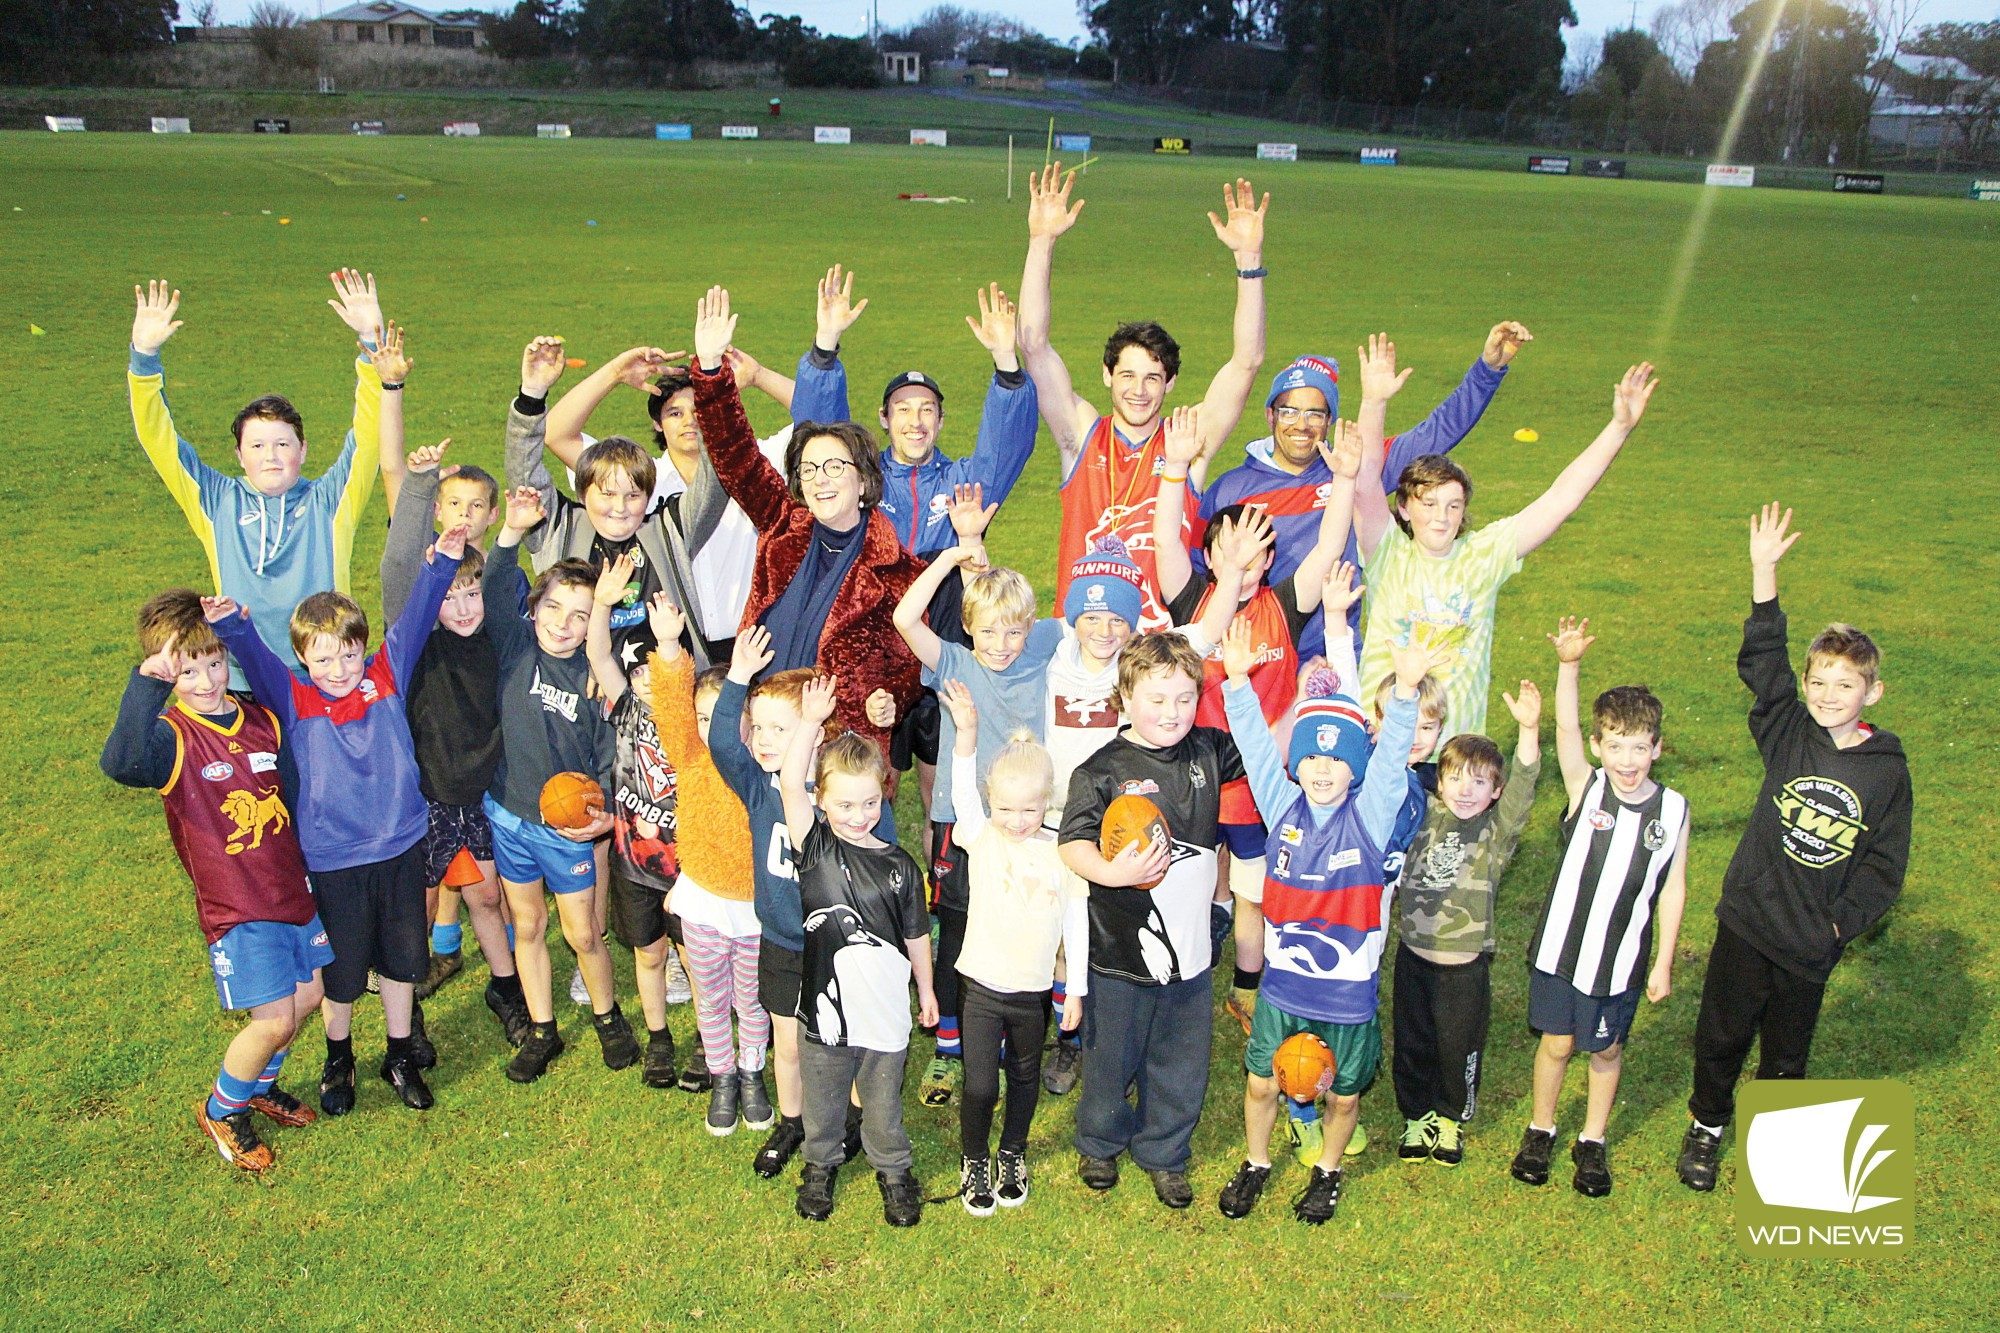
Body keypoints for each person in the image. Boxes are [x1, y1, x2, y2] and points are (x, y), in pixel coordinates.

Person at [1676, 504, 1912, 1193]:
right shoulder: (1789, 730)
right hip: (1749, 921)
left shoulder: (1887, 771)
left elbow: (1884, 865)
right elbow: (1763, 662)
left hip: (1810, 941)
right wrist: (1763, 573)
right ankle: (1708, 1126)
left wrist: (1841, 923)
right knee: (1721, 1034)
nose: (1828, 694)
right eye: (1819, 682)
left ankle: (1778, 1151)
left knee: (1785, 1051)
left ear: (1872, 691)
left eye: (1845, 685)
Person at [207, 522, 468, 1116]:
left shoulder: (385, 674)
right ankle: (339, 1055)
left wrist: (442, 563)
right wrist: (230, 625)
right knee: (343, 972)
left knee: (404, 960)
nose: (339, 667)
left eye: (349, 653)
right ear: (303, 657)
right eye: (323, 658)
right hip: (332, 860)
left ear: (363, 648)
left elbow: (416, 620)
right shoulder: (292, 697)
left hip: (400, 846)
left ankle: (399, 1053)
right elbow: (255, 656)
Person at [1213, 623, 1439, 1225]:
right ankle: (1257, 1161)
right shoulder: (1281, 804)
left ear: (1354, 769)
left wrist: (1409, 692)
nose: (1320, 768)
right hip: (1284, 990)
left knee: (1343, 1096)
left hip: (1346, 999)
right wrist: (1238, 682)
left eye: (1336, 759)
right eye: (1311, 754)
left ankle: (1328, 1171)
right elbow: (1259, 750)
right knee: (1263, 1084)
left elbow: (1392, 760)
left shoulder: (1369, 816)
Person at [101, 590, 333, 1172]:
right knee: (274, 1018)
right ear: (166, 672)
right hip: (238, 906)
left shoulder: (260, 719)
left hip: (290, 890)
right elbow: (119, 762)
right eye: (185, 669)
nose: (205, 680)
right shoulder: (168, 738)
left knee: (308, 996)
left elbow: (292, 793)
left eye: (213, 663)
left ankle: (256, 1085)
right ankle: (223, 1108)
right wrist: (147, 685)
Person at [1155, 409, 1360, 1033]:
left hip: (1258, 789)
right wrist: (1176, 470)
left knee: (1253, 893)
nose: (1242, 562)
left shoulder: (1286, 606)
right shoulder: (1193, 601)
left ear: (1270, 562)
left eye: (1255, 552)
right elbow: (1166, 541)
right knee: (1182, 884)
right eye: (1227, 550)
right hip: (1190, 782)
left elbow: (1328, 546)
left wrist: (1345, 478)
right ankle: (1174, 977)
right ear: (1210, 558)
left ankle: (1247, 988)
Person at [689, 286, 924, 815]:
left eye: (834, 467)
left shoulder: (896, 571)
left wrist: (891, 697)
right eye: (810, 468)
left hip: (836, 762)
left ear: (864, 482)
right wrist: (710, 371)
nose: (819, 480)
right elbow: (735, 455)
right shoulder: (783, 524)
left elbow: (906, 667)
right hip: (764, 740)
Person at [1353, 339, 1659, 743]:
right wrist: (1374, 402)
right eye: (1428, 504)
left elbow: (1561, 499)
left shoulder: (1485, 554)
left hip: (1456, 760)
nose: (1441, 517)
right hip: (1379, 742)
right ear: (1405, 508)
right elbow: (1363, 480)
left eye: (1453, 505)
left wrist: (1618, 428)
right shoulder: (1387, 552)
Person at [1018, 164, 1269, 630]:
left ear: (1170, 384)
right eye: (1128, 375)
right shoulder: (1081, 435)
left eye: (1153, 378)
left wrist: (1248, 260)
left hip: (1158, 653)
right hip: (1079, 642)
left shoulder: (1187, 442)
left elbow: (1247, 361)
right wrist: (1041, 242)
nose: (1139, 390)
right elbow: (1033, 345)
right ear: (1107, 376)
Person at [1199, 320, 1531, 660]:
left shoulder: (1356, 467)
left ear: (1330, 421)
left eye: (1315, 413)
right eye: (1289, 411)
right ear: (1270, 416)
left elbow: (1439, 431)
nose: (1302, 424)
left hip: (1334, 654)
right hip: (1251, 658)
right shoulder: (1230, 490)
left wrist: (1488, 369)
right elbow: (1199, 575)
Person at [890, 486, 1065, 1109]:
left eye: (1012, 630)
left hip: (1032, 819)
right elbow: (904, 620)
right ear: (968, 627)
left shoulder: (1045, 648)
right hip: (963, 823)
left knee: (1032, 915)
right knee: (959, 926)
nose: (1001, 642)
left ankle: (1041, 1028)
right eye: (988, 630)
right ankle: (948, 1044)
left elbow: (1097, 628)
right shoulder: (956, 663)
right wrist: (954, 553)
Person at [1057, 633, 1245, 1210]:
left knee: (1180, 1059)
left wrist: (1238, 685)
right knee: (1111, 1053)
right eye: (1157, 699)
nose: (1172, 713)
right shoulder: (1102, 769)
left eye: (1185, 699)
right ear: (1125, 696)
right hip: (1118, 951)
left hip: (1188, 952)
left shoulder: (1210, 751)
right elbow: (1072, 844)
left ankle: (1165, 1151)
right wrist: (1112, 874)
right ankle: (1100, 1141)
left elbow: (1268, 754)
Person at [126, 271, 391, 671]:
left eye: (283, 444)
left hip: (320, 677)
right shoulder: (216, 501)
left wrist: (371, 346)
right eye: (257, 446)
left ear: (302, 451)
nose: (271, 456)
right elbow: (159, 441)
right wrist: (144, 360)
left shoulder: (331, 501)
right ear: (239, 455)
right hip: (240, 682)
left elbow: (370, 437)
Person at [1509, 616, 1689, 1198]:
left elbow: (1673, 888)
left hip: (1619, 965)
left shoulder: (1674, 812)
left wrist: (1661, 963)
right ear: (1598, 747)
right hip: (1562, 952)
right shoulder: (1587, 788)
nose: (1628, 760)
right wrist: (1568, 666)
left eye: (1640, 748)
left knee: (1606, 1048)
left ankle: (1593, 1140)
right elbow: (1563, 727)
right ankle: (1541, 1128)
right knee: (1557, 1043)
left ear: (1658, 749)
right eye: (1616, 746)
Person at [540, 316, 838, 663]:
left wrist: (758, 377)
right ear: (657, 422)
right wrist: (614, 374)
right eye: (675, 412)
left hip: (756, 641)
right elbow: (557, 434)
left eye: (700, 409)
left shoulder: (754, 460)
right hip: (677, 648)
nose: (690, 421)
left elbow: (822, 422)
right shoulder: (637, 480)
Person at [482, 489, 637, 1084]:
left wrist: (605, 813)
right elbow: (497, 585)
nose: (563, 625)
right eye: (552, 608)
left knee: (583, 932)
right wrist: (510, 533)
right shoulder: (517, 645)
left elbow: (609, 756)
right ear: (534, 607)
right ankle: (543, 1029)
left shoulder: (596, 674)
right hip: (511, 815)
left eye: (579, 615)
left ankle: (607, 1016)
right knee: (527, 925)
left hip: (568, 829)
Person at [779, 678, 937, 1227]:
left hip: (886, 1016)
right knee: (822, 1101)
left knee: (883, 1105)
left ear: (885, 792)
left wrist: (928, 991)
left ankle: (893, 1170)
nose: (858, 814)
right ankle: (820, 1164)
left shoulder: (900, 867)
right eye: (844, 803)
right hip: (825, 1013)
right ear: (821, 801)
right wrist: (808, 723)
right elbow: (787, 785)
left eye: (870, 801)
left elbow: (917, 935)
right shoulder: (816, 847)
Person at [378, 441, 522, 1038]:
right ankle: (404, 1018)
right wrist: (416, 486)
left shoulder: (499, 634)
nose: (462, 607)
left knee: (487, 899)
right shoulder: (416, 639)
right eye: (449, 596)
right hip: (425, 793)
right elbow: (396, 567)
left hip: (482, 788)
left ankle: (507, 987)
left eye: (473, 595)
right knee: (416, 904)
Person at [936, 682, 1087, 1215]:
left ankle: (1011, 1153)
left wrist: (1077, 991)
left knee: (1024, 1079)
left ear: (1046, 803)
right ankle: (974, 1157)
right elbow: (959, 795)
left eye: (1028, 810)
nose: (1017, 820)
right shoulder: (981, 838)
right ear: (990, 802)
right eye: (1005, 808)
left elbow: (1076, 921)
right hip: (979, 987)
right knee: (980, 1086)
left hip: (1032, 994)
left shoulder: (1063, 854)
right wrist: (967, 734)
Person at [506, 336, 729, 671]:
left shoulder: (671, 528)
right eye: (607, 494)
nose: (620, 508)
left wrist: (712, 381)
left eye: (633, 496)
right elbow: (524, 469)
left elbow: (716, 476)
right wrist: (532, 394)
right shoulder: (559, 527)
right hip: (581, 701)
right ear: (583, 494)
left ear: (649, 496)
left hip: (670, 695)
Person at [1390, 684, 1542, 1167]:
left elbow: (1523, 785)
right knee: (1412, 1039)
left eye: (1480, 783)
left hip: (1464, 967)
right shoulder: (1422, 811)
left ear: (1494, 792)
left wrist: (1530, 729)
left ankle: (1450, 1118)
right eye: (1456, 778)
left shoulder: (1495, 832)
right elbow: (1392, 770)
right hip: (1413, 956)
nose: (1465, 790)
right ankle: (1416, 1117)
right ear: (1440, 781)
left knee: (1458, 1047)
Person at [645, 625, 780, 1149]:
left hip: (753, 909)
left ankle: (751, 1074)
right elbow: (671, 708)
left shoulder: (762, 769)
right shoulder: (691, 757)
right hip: (702, 903)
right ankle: (721, 1076)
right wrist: (671, 649)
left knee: (751, 1000)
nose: (707, 728)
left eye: (720, 718)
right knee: (711, 998)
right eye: (701, 717)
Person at [583, 557, 694, 1091]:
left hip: (692, 869)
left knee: (694, 958)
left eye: (661, 665)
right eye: (641, 669)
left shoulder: (696, 718)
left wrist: (670, 643)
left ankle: (706, 1037)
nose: (649, 678)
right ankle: (659, 1037)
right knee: (648, 954)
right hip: (635, 865)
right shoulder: (625, 709)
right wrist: (603, 602)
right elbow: (598, 651)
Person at [706, 629, 816, 1158]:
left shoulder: (841, 787)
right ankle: (792, 1121)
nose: (765, 739)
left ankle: (856, 1121)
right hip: (781, 940)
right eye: (761, 726)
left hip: (837, 943)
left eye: (781, 728)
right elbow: (724, 741)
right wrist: (738, 678)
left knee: (845, 1044)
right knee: (789, 1043)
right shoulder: (757, 785)